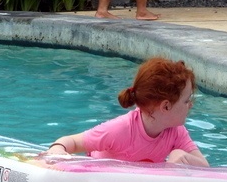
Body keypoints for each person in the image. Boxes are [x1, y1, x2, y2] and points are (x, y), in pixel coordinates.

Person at [45, 57, 208, 166]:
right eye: (186, 101)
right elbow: (72, 142)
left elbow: (207, 168)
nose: (190, 105)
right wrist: (58, 150)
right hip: (99, 180)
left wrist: (184, 157)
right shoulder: (120, 130)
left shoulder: (176, 132)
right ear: (165, 106)